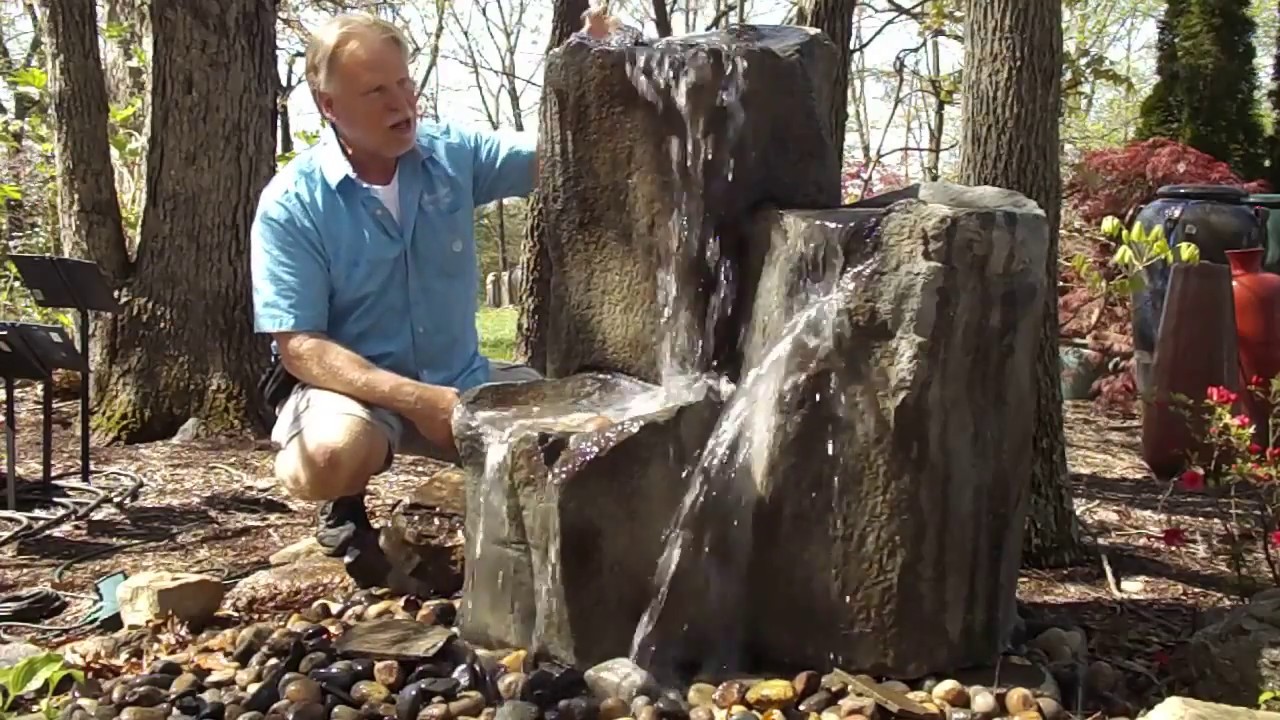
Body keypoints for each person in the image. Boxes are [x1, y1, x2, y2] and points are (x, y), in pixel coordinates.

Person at [250, 10, 609, 589]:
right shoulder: (293, 203)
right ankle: (338, 498)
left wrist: (589, 75)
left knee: (597, 438)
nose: (401, 103)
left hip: (462, 380)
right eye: (375, 91)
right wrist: (419, 402)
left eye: (404, 84)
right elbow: (300, 347)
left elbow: (558, 157)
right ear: (329, 107)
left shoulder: (453, 154)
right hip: (356, 395)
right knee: (330, 456)